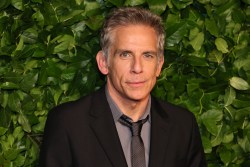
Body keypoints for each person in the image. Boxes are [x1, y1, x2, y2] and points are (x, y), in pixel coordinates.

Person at [39, 7, 207, 167]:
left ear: (159, 65)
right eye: (125, 55)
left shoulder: (183, 125)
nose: (137, 68)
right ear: (104, 62)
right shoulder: (68, 124)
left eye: (148, 55)